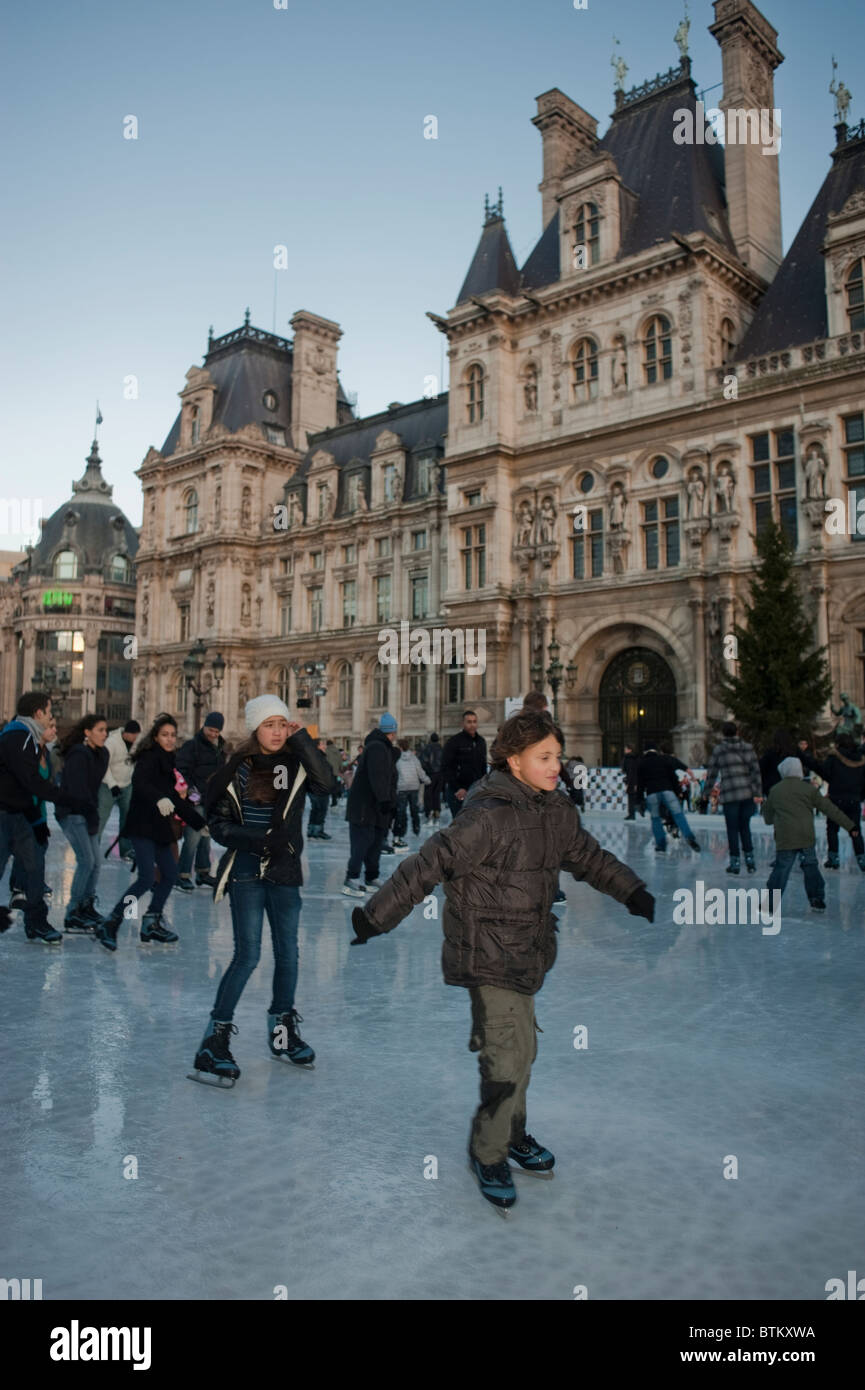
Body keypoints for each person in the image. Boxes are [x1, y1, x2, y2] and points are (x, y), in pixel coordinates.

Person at [348, 710, 654, 1215]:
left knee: (523, 1052)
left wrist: (631, 892)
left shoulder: (555, 812)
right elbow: (428, 865)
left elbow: (591, 858)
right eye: (545, 757)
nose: (558, 766)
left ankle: (512, 1135)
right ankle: (487, 1152)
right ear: (515, 761)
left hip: (529, 950)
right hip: (487, 949)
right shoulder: (487, 815)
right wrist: (375, 918)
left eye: (558, 756)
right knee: (505, 1057)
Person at [189, 695, 334, 1086]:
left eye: (281, 724)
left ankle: (283, 1035)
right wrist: (257, 839)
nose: (276, 731)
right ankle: (213, 1042)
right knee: (247, 955)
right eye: (268, 724)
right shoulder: (237, 767)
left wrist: (303, 739)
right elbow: (217, 824)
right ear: (255, 728)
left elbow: (328, 784)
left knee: (289, 954)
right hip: (247, 870)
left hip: (285, 871)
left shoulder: (297, 765)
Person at [94, 714, 206, 951]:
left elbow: (176, 797)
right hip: (142, 824)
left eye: (173, 735)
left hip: (159, 827)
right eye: (164, 735)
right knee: (146, 878)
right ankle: (112, 921)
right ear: (155, 737)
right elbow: (142, 783)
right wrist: (159, 798)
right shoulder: (148, 758)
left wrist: (198, 823)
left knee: (169, 874)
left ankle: (151, 921)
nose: (169, 739)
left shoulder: (168, 759)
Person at [0, 692, 78, 943]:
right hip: (4, 815)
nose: (51, 716)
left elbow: (22, 785)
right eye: (49, 711)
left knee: (35, 867)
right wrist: (66, 797)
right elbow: (30, 781)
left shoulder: (28, 738)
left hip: (19, 814)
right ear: (38, 714)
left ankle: (36, 922)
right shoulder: (18, 736)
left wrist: (36, 820)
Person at [763, 757, 854, 912]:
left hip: (785, 838)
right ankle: (816, 899)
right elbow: (830, 809)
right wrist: (850, 826)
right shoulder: (809, 789)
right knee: (810, 867)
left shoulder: (775, 790)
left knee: (781, 869)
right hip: (805, 836)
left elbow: (768, 819)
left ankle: (770, 903)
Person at [55, 714, 110, 933]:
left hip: (88, 812)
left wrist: (92, 814)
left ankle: (86, 905)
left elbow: (93, 787)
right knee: (87, 861)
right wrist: (92, 815)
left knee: (96, 862)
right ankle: (73, 912)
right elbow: (79, 790)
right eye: (100, 730)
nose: (104, 734)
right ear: (87, 732)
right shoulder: (79, 754)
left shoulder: (101, 754)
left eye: (106, 730)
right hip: (72, 812)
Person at [342, 712, 400, 896]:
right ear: (393, 732)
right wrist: (385, 800)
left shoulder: (382, 747)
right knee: (362, 841)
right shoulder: (376, 748)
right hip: (365, 806)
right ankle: (351, 877)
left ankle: (371, 876)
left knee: (375, 841)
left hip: (375, 806)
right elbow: (378, 778)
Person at [9, 712, 56, 910]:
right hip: (25, 810)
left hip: (39, 810)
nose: (54, 730)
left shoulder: (47, 753)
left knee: (40, 848)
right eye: (50, 726)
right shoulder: (28, 750)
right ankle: (19, 889)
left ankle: (29, 885)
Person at [175, 712, 226, 889]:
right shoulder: (192, 746)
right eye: (211, 729)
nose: (213, 734)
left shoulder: (220, 748)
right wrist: (191, 791)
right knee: (193, 837)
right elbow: (181, 770)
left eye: (217, 731)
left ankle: (203, 871)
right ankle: (182, 873)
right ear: (204, 726)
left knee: (206, 836)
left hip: (211, 799)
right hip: (195, 799)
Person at [704, 721, 763, 874]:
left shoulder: (720, 749)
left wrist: (706, 791)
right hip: (746, 793)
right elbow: (755, 771)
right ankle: (750, 860)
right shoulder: (747, 747)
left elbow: (712, 772)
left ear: (723, 733)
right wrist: (758, 792)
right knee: (745, 826)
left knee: (732, 828)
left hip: (730, 793)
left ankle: (735, 862)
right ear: (737, 731)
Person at [799, 733, 865, 870]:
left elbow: (824, 772)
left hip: (836, 799)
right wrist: (860, 795)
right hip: (854, 799)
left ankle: (833, 858)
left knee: (832, 829)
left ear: (838, 743)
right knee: (855, 829)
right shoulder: (860, 758)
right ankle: (862, 858)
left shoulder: (834, 757)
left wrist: (808, 760)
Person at [636, 741, 701, 853]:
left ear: (645, 751)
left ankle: (661, 845)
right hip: (667, 791)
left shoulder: (642, 763)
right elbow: (673, 776)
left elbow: (640, 784)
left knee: (656, 819)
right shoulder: (663, 760)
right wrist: (678, 791)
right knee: (679, 815)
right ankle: (689, 836)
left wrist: (640, 800)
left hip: (652, 793)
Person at [96, 719, 141, 863]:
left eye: (136, 735)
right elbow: (103, 765)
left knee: (127, 818)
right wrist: (112, 784)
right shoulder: (112, 742)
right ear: (126, 733)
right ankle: (93, 848)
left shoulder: (135, 744)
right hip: (108, 786)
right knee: (101, 817)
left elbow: (133, 763)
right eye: (133, 735)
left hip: (127, 785)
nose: (135, 738)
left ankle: (126, 849)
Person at [441, 711, 487, 820]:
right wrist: (458, 788)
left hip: (476, 790)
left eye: (474, 722)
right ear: (463, 724)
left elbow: (483, 766)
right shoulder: (454, 742)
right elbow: (446, 767)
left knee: (476, 823)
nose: (472, 725)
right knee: (460, 824)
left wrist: (483, 786)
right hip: (458, 791)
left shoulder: (481, 742)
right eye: (469, 722)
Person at [394, 739, 430, 846]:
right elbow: (420, 771)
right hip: (414, 786)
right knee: (414, 809)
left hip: (402, 787)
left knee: (401, 810)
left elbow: (395, 774)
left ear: (400, 747)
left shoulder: (397, 759)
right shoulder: (414, 758)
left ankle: (401, 830)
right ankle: (416, 827)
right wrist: (427, 780)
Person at [307, 738, 333, 840]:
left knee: (316, 810)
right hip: (320, 788)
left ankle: (312, 830)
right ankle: (317, 831)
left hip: (316, 788)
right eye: (322, 744)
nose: (325, 746)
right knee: (321, 810)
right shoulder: (318, 757)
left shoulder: (315, 756)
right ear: (317, 746)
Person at [419, 733, 444, 822]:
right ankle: (436, 810)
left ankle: (429, 811)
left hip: (430, 774)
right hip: (440, 774)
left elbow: (422, 761)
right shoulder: (441, 749)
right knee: (436, 794)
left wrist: (426, 771)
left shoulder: (427, 748)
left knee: (428, 794)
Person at [622, 743, 642, 820]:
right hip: (634, 780)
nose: (624, 750)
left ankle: (632, 814)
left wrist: (629, 783)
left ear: (629, 749)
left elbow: (630, 772)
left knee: (631, 798)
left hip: (631, 781)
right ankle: (631, 813)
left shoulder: (629, 759)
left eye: (626, 749)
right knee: (632, 798)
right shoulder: (634, 758)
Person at [324, 740, 344, 807]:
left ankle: (331, 801)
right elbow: (340, 760)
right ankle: (335, 799)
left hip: (328, 772)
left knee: (328, 786)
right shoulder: (337, 751)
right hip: (336, 771)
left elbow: (325, 761)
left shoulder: (326, 751)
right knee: (335, 785)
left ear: (327, 744)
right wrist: (341, 769)